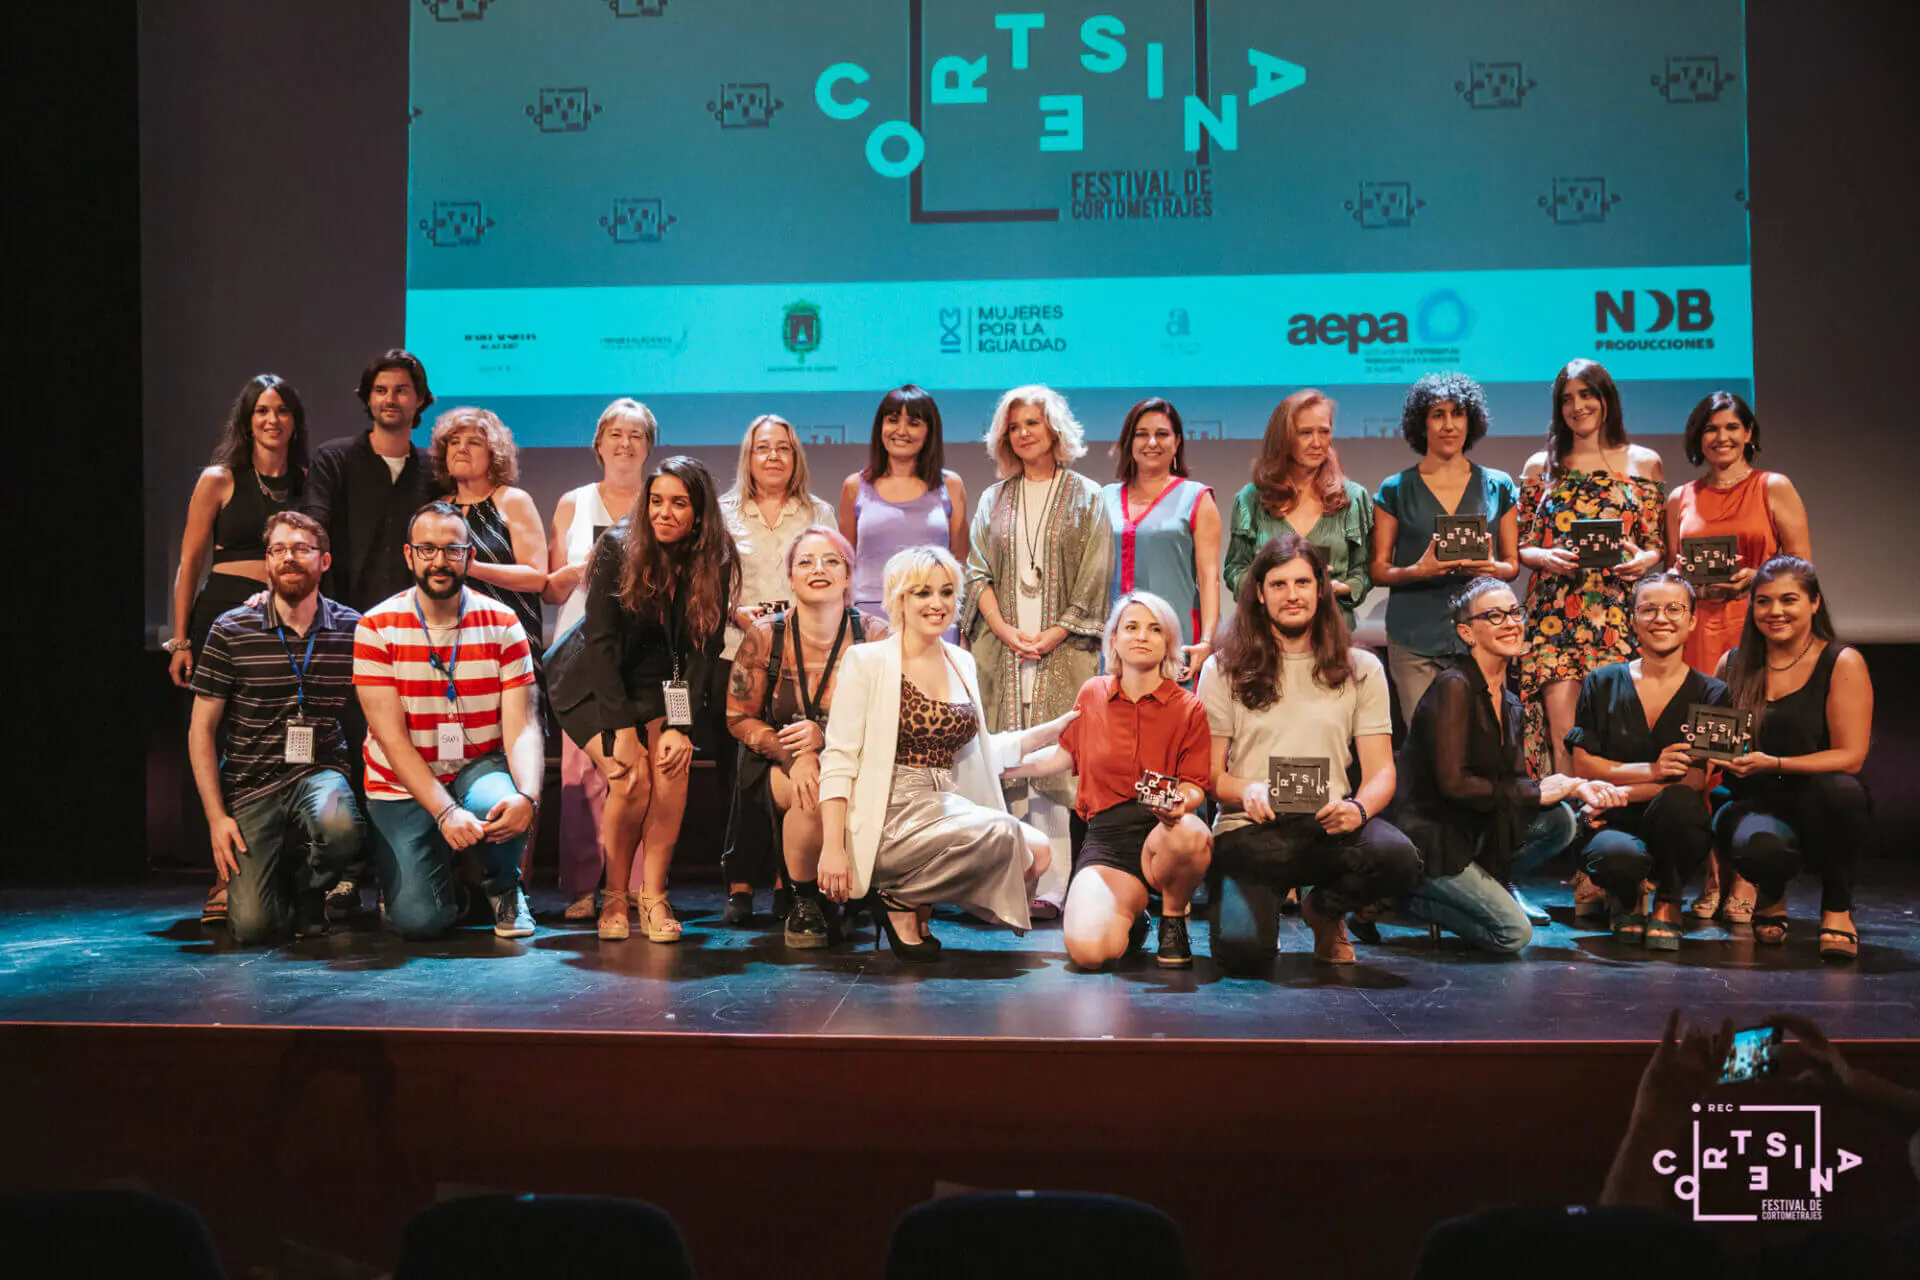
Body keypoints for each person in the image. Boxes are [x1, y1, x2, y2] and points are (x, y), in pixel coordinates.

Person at [815, 546, 1071, 959]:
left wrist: (1054, 730)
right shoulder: (867, 661)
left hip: (943, 803)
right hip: (889, 813)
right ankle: (899, 897)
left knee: (1039, 851)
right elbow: (838, 760)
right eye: (922, 593)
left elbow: (980, 750)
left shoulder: (960, 661)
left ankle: (908, 896)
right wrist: (832, 847)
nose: (937, 603)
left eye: (946, 592)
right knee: (1004, 832)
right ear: (899, 599)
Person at [1199, 534, 1420, 971]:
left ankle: (1324, 909)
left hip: (1328, 825)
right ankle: (1260, 911)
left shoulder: (1361, 668)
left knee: (1399, 858)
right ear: (1259, 593)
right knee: (1243, 956)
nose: (1292, 595)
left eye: (1302, 582)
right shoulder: (1222, 669)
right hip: (1251, 833)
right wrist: (1247, 791)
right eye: (1278, 584)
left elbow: (1381, 772)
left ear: (1320, 589)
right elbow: (1208, 775)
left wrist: (1358, 809)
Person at [546, 457, 740, 943]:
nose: (663, 513)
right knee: (631, 779)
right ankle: (615, 894)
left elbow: (705, 648)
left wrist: (681, 726)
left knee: (672, 772)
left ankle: (652, 895)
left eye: (678, 503)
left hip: (662, 682)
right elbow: (602, 645)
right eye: (656, 501)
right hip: (592, 680)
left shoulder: (715, 557)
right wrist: (622, 731)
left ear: (699, 512)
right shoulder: (617, 547)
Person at [1391, 577, 1627, 953]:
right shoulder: (1454, 686)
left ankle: (1489, 885)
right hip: (1435, 838)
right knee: (1513, 935)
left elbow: (1513, 782)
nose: (1511, 623)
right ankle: (1401, 899)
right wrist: (1539, 790)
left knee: (1561, 820)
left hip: (1475, 830)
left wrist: (1574, 786)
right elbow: (1454, 783)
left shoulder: (1510, 701)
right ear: (1467, 633)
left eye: (1514, 613)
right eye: (1494, 616)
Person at [352, 501, 542, 940]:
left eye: (452, 550)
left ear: (469, 556)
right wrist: (445, 812)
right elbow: (392, 741)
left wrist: (529, 797)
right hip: (401, 782)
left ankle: (504, 885)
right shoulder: (376, 626)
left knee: (505, 799)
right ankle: (431, 877)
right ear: (409, 555)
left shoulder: (503, 622)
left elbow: (523, 725)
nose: (439, 561)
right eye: (427, 549)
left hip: (476, 766)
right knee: (419, 923)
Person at [165, 373, 310, 923]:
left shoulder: (306, 481)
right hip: (224, 616)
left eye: (282, 410)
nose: (272, 420)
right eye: (262, 411)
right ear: (247, 422)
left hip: (287, 618)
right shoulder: (219, 479)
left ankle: (278, 869)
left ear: (295, 421)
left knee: (277, 742)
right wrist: (180, 639)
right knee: (222, 741)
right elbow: (190, 562)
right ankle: (223, 874)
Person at [963, 384, 1113, 918]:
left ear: (1054, 430)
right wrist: (1004, 630)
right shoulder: (993, 498)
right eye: (1014, 426)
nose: (1023, 433)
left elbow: (1096, 571)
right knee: (1004, 762)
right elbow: (976, 572)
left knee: (1052, 765)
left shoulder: (1088, 495)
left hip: (1064, 647)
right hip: (1000, 648)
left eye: (1032, 423)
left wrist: (1055, 633)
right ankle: (1004, 887)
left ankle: (1051, 889)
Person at [1004, 592, 1213, 969]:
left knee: (1191, 835)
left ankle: (1173, 918)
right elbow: (1062, 756)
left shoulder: (1189, 708)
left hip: (1164, 831)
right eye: (1131, 627)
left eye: (1155, 629)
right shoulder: (1093, 693)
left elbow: (1195, 783)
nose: (1142, 636)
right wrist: (1000, 764)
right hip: (1108, 840)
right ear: (1114, 639)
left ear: (1169, 642)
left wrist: (1181, 802)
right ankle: (1134, 919)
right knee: (1090, 952)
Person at [1665, 391, 1812, 923]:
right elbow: (1671, 570)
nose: (1721, 438)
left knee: (1749, 752)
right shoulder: (1680, 497)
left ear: (1749, 433)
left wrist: (1757, 578)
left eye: (1731, 427)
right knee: (1705, 754)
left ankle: (1748, 877)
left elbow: (1802, 568)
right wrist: (1681, 577)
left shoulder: (1773, 487)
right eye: (1711, 429)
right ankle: (1711, 876)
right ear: (1697, 438)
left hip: (1756, 633)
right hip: (1699, 635)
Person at [187, 512, 363, 943]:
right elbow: (201, 730)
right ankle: (280, 879)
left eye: (301, 549)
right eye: (278, 549)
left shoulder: (353, 628)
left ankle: (309, 888)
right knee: (253, 929)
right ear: (266, 561)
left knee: (341, 826)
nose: (288, 558)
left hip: (319, 770)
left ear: (324, 561)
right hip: (252, 784)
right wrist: (216, 818)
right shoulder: (232, 628)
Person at [726, 526, 889, 949]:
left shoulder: (876, 636)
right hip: (778, 759)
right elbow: (737, 716)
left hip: (855, 759)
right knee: (813, 790)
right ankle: (806, 901)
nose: (819, 569)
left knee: (830, 780)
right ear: (791, 577)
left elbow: (891, 717)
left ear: (848, 575)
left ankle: (853, 893)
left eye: (832, 561)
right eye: (806, 562)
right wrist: (794, 755)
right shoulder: (765, 635)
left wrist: (825, 741)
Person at [1713, 557, 1873, 961]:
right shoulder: (1732, 664)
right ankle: (1770, 896)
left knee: (1844, 793)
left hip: (1818, 800)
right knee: (1757, 843)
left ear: (1814, 602)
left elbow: (1851, 757)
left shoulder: (1841, 661)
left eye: (1789, 600)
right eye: (1763, 601)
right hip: (1753, 801)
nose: (1775, 611)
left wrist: (1776, 763)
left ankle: (1837, 909)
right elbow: (1718, 744)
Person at [1516, 359, 1666, 778]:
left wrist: (1644, 561)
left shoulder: (1644, 462)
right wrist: (1545, 557)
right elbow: (1522, 545)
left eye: (1586, 395)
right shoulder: (1540, 465)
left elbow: (1656, 545)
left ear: (1606, 399)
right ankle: (1568, 816)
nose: (1577, 406)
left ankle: (1609, 814)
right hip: (1554, 615)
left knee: (1611, 734)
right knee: (1564, 736)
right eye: (1567, 399)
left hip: (1618, 612)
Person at [718, 414, 838, 923]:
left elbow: (830, 574)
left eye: (783, 448)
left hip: (801, 660)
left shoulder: (818, 511)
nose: (773, 457)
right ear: (748, 456)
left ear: (796, 458)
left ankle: (787, 881)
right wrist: (734, 612)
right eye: (763, 448)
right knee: (741, 775)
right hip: (736, 652)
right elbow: (706, 579)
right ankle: (740, 884)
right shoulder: (722, 512)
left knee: (791, 765)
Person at [1565, 574, 1724, 949]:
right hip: (1612, 821)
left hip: (1668, 820)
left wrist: (1618, 792)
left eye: (1674, 609)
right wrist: (1653, 771)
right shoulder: (1601, 681)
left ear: (1692, 620)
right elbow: (1584, 767)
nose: (1661, 618)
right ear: (1633, 620)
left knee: (1681, 802)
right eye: (1649, 609)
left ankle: (1669, 900)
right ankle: (1627, 896)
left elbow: (1694, 781)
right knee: (1613, 855)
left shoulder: (1713, 693)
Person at [543, 398, 655, 921]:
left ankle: (632, 885)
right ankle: (583, 886)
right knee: (580, 773)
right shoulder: (573, 503)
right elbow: (550, 589)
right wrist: (579, 570)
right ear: (598, 444)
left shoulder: (660, 501)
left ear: (649, 446)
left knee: (637, 770)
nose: (625, 443)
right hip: (580, 652)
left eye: (636, 435)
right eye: (616, 433)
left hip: (641, 652)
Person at [1370, 373, 1521, 722]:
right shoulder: (1396, 489)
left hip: (1481, 638)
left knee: (1482, 739)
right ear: (1422, 424)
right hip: (1414, 637)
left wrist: (1490, 568)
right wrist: (1418, 570)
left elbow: (1511, 565)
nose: (1448, 425)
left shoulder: (1498, 485)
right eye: (1437, 415)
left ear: (1471, 421)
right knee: (1427, 740)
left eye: (1458, 414)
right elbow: (1378, 569)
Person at [306, 349, 449, 612]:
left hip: (415, 617)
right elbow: (312, 533)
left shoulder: (434, 470)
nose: (390, 400)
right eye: (381, 391)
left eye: (401, 391)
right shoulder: (334, 459)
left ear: (420, 399)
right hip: (341, 617)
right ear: (368, 398)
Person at [1224, 389, 1373, 632]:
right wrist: (1272, 589)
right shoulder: (1251, 499)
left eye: (1324, 432)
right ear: (1283, 437)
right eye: (1305, 433)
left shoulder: (1353, 498)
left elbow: (1363, 571)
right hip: (1267, 634)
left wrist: (1339, 588)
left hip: (1331, 632)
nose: (1316, 443)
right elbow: (1235, 569)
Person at [1100, 397, 1221, 680]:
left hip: (1175, 638)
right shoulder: (1104, 497)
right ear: (1129, 442)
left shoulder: (1197, 497)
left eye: (1162, 434)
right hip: (1118, 641)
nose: (1152, 442)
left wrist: (1206, 640)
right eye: (1142, 434)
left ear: (1177, 442)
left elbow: (1209, 577)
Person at [839, 384, 969, 619]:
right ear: (880, 426)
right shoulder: (854, 486)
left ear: (929, 431)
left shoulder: (951, 485)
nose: (901, 431)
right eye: (892, 420)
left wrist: (960, 624)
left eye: (914, 423)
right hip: (869, 614)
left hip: (935, 614)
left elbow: (960, 565)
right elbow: (843, 564)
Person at [431, 406, 548, 649]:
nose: (461, 448)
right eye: (454, 442)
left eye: (473, 443)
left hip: (508, 639)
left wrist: (473, 568)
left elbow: (536, 578)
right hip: (452, 639)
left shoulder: (513, 500)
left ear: (494, 454)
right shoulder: (439, 508)